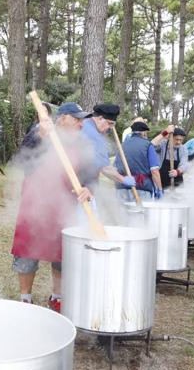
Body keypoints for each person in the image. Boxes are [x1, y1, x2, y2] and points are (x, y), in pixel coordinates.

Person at [11, 102, 93, 313]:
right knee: (27, 253)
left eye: (82, 120)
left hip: (64, 206)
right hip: (35, 203)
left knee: (61, 254)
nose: (81, 124)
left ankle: (56, 298)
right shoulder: (43, 132)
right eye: (77, 119)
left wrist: (88, 188)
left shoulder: (80, 143)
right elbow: (23, 157)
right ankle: (25, 300)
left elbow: (89, 174)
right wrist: (39, 134)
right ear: (63, 118)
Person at [79, 103, 136, 190]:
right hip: (83, 186)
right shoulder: (95, 136)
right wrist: (123, 179)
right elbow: (105, 168)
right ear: (100, 118)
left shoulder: (83, 123)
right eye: (109, 124)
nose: (110, 128)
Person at [114, 121, 164, 200]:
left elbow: (115, 169)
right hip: (141, 188)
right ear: (143, 133)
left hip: (122, 188)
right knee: (142, 212)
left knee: (122, 212)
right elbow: (154, 171)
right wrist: (159, 189)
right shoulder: (148, 145)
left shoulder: (122, 145)